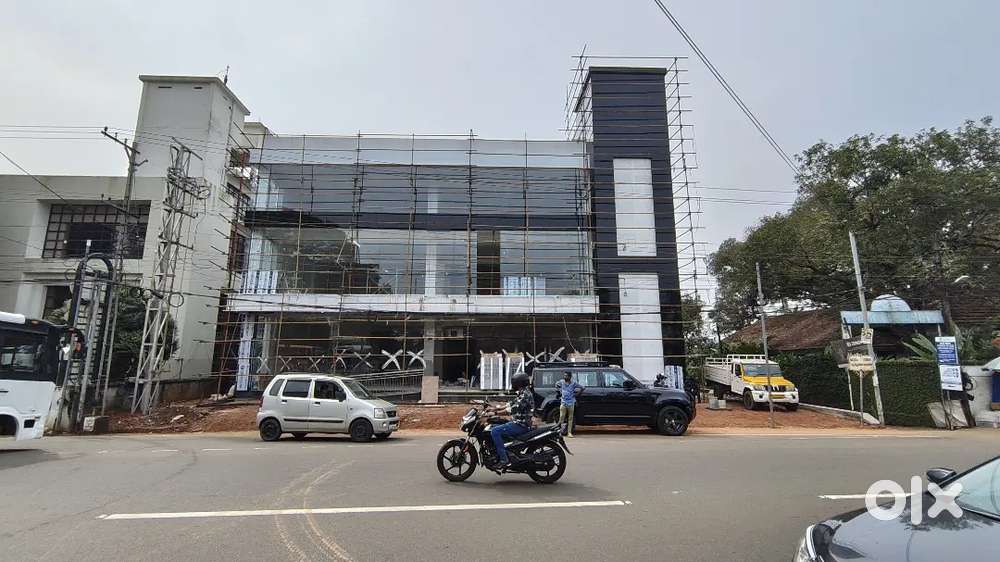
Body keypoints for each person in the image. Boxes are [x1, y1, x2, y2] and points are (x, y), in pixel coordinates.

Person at [490, 372, 534, 468]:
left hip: (521, 425)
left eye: (515, 382)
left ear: (519, 383)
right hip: (518, 423)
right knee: (493, 426)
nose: (513, 384)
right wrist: (495, 408)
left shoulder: (525, 394)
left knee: (495, 431)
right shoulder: (523, 392)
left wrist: (495, 413)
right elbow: (510, 404)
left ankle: (504, 459)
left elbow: (512, 409)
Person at [555, 371, 584, 437]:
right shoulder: (561, 382)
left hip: (571, 402)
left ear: (570, 377)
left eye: (566, 376)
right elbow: (556, 385)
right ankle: (559, 432)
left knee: (570, 418)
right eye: (564, 375)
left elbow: (582, 387)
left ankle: (569, 432)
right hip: (563, 402)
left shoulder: (573, 383)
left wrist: (577, 394)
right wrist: (559, 391)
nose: (565, 377)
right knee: (561, 417)